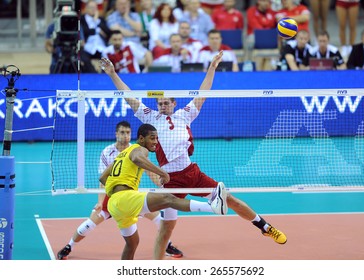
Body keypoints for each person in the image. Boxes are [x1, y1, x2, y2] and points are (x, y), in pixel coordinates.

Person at [100, 50, 287, 260]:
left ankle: (264, 226)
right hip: (169, 180)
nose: (162, 106)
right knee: (166, 229)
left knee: (230, 199)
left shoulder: (185, 114)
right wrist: (112, 74)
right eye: (159, 103)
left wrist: (212, 68)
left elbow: (203, 92)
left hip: (191, 173)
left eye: (166, 103)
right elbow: (128, 96)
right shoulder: (150, 118)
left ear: (174, 103)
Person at [56, 121, 185, 260]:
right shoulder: (107, 152)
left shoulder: (137, 149)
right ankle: (69, 246)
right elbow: (103, 180)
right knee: (89, 224)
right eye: (122, 132)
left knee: (158, 219)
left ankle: (167, 245)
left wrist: (163, 187)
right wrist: (100, 201)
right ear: (116, 134)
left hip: (130, 196)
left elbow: (150, 172)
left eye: (128, 133)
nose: (125, 136)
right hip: (111, 197)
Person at [101, 123, 227, 260]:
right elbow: (138, 159)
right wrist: (163, 173)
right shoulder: (139, 149)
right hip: (124, 198)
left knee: (132, 244)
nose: (156, 142)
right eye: (152, 138)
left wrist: (117, 190)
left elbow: (102, 178)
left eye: (157, 138)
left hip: (114, 204)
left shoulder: (121, 155)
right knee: (168, 199)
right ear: (142, 139)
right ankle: (212, 206)